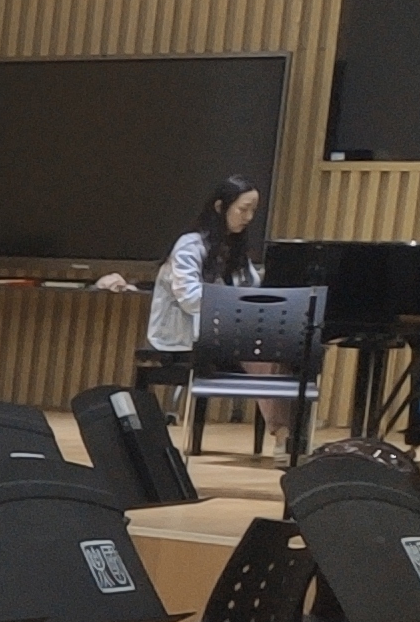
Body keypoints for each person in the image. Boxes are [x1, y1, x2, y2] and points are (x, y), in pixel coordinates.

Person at [95, 173, 285, 438]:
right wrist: (237, 306)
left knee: (286, 348)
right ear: (220, 207)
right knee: (263, 352)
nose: (249, 217)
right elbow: (190, 299)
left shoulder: (235, 248)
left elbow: (252, 288)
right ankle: (283, 433)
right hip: (183, 333)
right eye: (243, 209)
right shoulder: (189, 246)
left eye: (253, 210)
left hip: (222, 332)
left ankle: (288, 432)